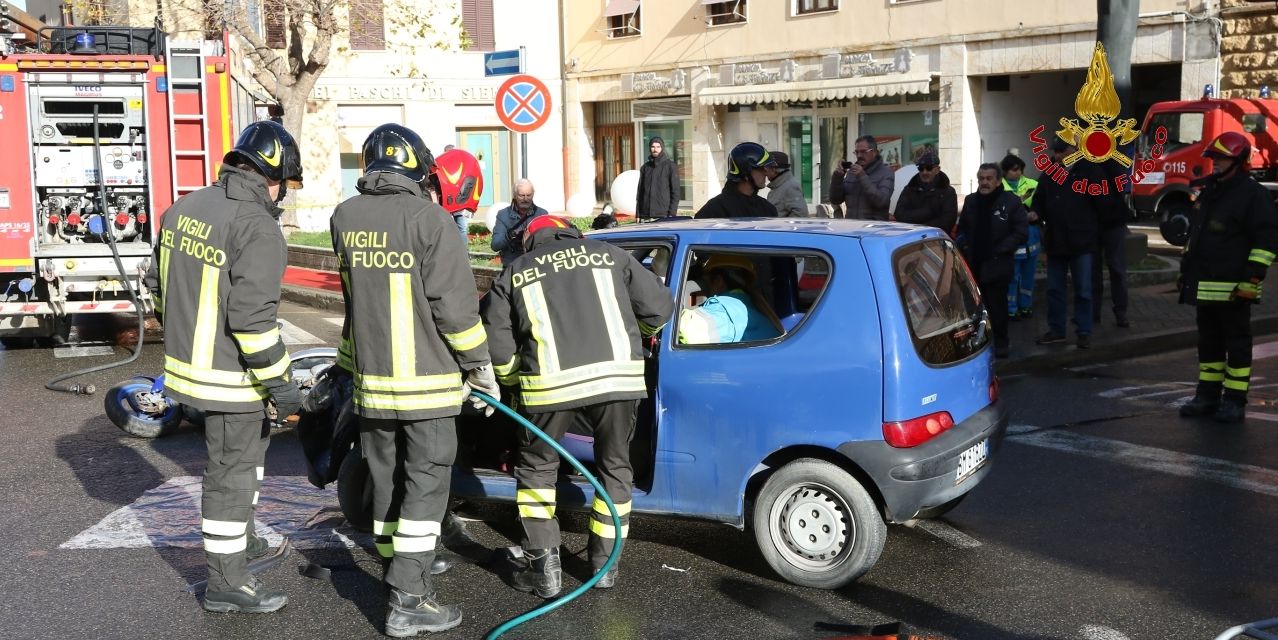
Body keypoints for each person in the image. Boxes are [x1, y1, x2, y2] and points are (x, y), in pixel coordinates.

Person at [330, 123, 499, 636]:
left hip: (373, 384)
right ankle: (410, 597)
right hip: (428, 386)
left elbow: (353, 301)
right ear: (419, 168)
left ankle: (397, 565)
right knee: (426, 485)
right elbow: (455, 311)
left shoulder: (344, 218)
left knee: (386, 478)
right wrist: (481, 370)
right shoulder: (432, 221)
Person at [144, 121, 304, 613]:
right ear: (271, 175)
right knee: (231, 477)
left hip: (186, 370)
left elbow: (157, 283)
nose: (282, 196)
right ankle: (226, 583)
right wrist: (282, 384)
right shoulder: (257, 226)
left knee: (246, 462)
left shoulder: (184, 208)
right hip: (233, 377)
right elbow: (254, 323)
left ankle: (246, 540)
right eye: (285, 184)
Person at [482, 215, 673, 598]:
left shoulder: (513, 273)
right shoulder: (612, 255)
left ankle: (545, 571)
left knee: (537, 471)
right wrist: (638, 340)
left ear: (530, 242)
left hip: (548, 388)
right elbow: (659, 311)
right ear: (572, 233)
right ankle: (604, 567)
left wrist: (515, 379)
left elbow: (498, 349)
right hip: (619, 382)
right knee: (615, 468)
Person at [1177, 131, 1278, 423]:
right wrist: (1186, 273)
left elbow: (1267, 241)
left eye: (1221, 158)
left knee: (1236, 344)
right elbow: (1195, 238)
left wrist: (1252, 280)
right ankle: (1207, 396)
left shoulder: (1252, 195)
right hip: (1204, 285)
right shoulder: (1210, 191)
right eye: (1214, 157)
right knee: (1208, 344)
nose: (1215, 163)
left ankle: (1234, 401)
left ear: (1239, 161)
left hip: (1234, 287)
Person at [957, 163, 1028, 359]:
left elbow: (1021, 232)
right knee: (974, 309)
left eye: (989, 179)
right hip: (974, 263)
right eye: (981, 179)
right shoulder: (971, 201)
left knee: (997, 308)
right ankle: (978, 344)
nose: (984, 182)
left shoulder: (1011, 201)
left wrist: (1001, 249)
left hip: (997, 264)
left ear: (997, 181)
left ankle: (1001, 342)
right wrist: (963, 244)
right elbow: (962, 228)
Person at [1034, 140, 1099, 349]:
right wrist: (1036, 214)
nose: (1057, 154)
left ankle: (1084, 331)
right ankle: (1057, 330)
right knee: (1055, 289)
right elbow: (1039, 201)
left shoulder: (1089, 171)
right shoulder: (1050, 173)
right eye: (1055, 150)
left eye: (1062, 150)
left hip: (1082, 240)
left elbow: (1102, 204)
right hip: (1057, 241)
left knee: (1083, 290)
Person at [677, 253, 782, 344]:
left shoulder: (728, 308)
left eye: (706, 282)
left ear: (718, 281)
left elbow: (690, 332)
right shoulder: (753, 307)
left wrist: (669, 308)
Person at [1001, 154, 1040, 321]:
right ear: (1005, 171)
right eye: (1014, 170)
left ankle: (1026, 306)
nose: (1018, 173)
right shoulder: (999, 188)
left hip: (1032, 239)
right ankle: (1011, 308)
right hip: (1013, 240)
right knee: (1012, 277)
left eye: (1020, 170)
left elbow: (1041, 204)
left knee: (1028, 277)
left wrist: (1037, 213)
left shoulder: (1032, 184)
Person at [695, 142, 779, 219]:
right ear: (745, 173)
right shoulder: (714, 211)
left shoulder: (768, 209)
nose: (766, 173)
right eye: (762, 169)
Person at [1092, 165, 1132, 328]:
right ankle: (1096, 313)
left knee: (1116, 268)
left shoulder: (1112, 164)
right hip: (1096, 223)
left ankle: (1119, 311)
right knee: (1096, 271)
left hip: (1112, 222)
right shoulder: (1084, 165)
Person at [830, 135, 894, 220]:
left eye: (864, 151)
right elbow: (835, 200)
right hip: (851, 226)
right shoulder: (852, 172)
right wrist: (837, 178)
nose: (859, 155)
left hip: (874, 228)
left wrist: (862, 176)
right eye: (857, 152)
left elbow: (881, 202)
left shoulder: (886, 173)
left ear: (874, 152)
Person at [891, 151, 957, 233]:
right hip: (911, 236)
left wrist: (922, 226)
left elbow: (947, 222)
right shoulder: (910, 189)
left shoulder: (948, 192)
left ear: (937, 170)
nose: (924, 172)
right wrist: (929, 212)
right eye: (921, 168)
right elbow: (899, 214)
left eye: (928, 168)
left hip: (935, 238)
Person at [431, 148, 484, 246]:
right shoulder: (441, 168)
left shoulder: (461, 165)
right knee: (451, 228)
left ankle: (463, 251)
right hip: (447, 202)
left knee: (461, 228)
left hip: (459, 203)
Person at [491, 179, 548, 265]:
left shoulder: (542, 214)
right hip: (513, 264)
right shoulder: (503, 215)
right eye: (521, 195)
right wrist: (510, 235)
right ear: (514, 195)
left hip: (536, 263)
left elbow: (549, 242)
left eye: (529, 195)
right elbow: (495, 245)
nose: (525, 199)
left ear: (533, 194)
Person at [636, 136, 680, 219]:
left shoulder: (670, 166)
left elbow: (676, 192)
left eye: (658, 147)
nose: (655, 149)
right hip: (645, 215)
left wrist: (672, 214)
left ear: (662, 148)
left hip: (663, 215)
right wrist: (638, 214)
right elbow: (640, 193)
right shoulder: (645, 167)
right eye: (653, 147)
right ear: (650, 148)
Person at [764, 151, 808, 217]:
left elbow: (801, 215)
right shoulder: (778, 185)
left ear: (774, 169)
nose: (765, 172)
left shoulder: (791, 187)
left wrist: (783, 226)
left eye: (766, 168)